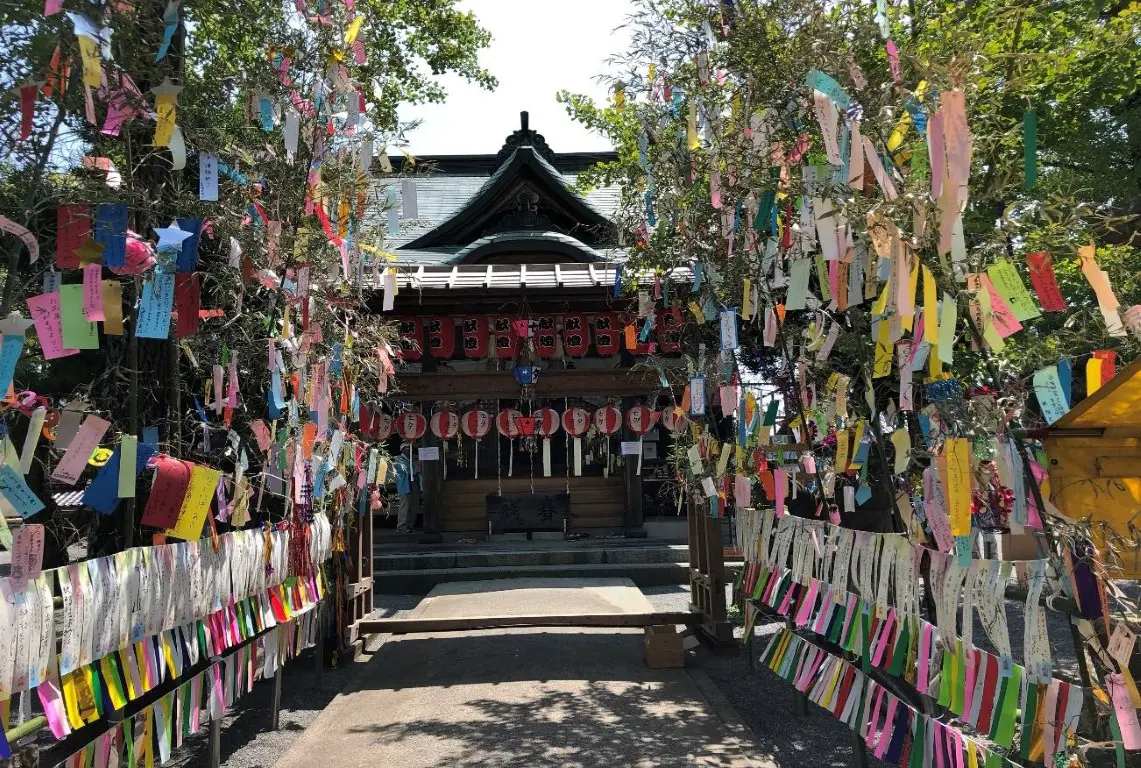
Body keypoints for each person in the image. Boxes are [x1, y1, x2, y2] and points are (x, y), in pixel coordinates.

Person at [391, 444, 419, 533]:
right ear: (402, 449)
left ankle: (410, 525)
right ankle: (401, 526)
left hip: (413, 482)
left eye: (410, 448)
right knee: (405, 505)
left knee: (414, 504)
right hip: (404, 483)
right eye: (407, 448)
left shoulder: (412, 460)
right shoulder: (398, 460)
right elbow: (404, 470)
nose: (409, 450)